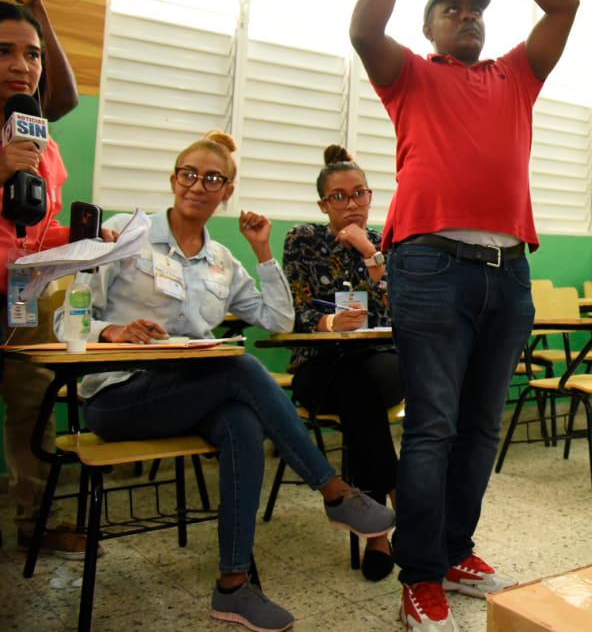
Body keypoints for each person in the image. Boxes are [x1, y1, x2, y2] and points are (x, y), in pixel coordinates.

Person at [350, 0, 578, 631]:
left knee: (482, 426)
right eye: (454, 9)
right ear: (432, 28)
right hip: (429, 266)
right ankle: (420, 574)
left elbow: (565, 6)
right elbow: (363, 28)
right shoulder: (409, 75)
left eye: (477, 9)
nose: (469, 17)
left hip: (508, 271)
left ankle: (453, 547)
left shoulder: (515, 75)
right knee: (434, 425)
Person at [81, 131, 396, 632]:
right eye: (189, 174)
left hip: (191, 394)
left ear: (227, 191)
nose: (198, 185)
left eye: (214, 179)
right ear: (173, 179)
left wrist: (263, 251)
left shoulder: (223, 260)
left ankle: (233, 588)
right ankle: (333, 489)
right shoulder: (124, 233)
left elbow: (276, 319)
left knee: (241, 422)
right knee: (240, 366)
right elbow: (68, 320)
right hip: (118, 394)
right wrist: (112, 329)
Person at [282, 143, 401, 581]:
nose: (351, 204)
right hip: (321, 365)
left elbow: (403, 313)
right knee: (356, 385)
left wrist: (370, 255)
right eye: (339, 196)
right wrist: (331, 321)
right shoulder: (303, 239)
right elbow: (298, 310)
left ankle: (378, 534)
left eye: (359, 194)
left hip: (382, 362)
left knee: (363, 384)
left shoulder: (389, 242)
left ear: (371, 195)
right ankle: (398, 497)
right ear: (323, 203)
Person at [0, 0, 86, 559]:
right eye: (6, 51)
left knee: (34, 414)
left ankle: (37, 522)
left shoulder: (41, 140)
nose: (22, 64)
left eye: (32, 54)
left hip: (25, 300)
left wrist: (83, 240)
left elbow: (37, 229)